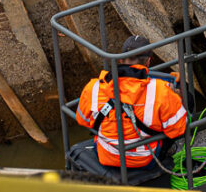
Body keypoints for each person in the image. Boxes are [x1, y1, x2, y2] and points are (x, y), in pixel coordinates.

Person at [75, 35, 187, 168]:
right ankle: (165, 153)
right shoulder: (160, 91)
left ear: (121, 60)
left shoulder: (94, 87)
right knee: (186, 101)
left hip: (105, 155)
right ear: (148, 61)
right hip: (145, 160)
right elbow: (179, 129)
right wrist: (177, 97)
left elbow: (82, 120)